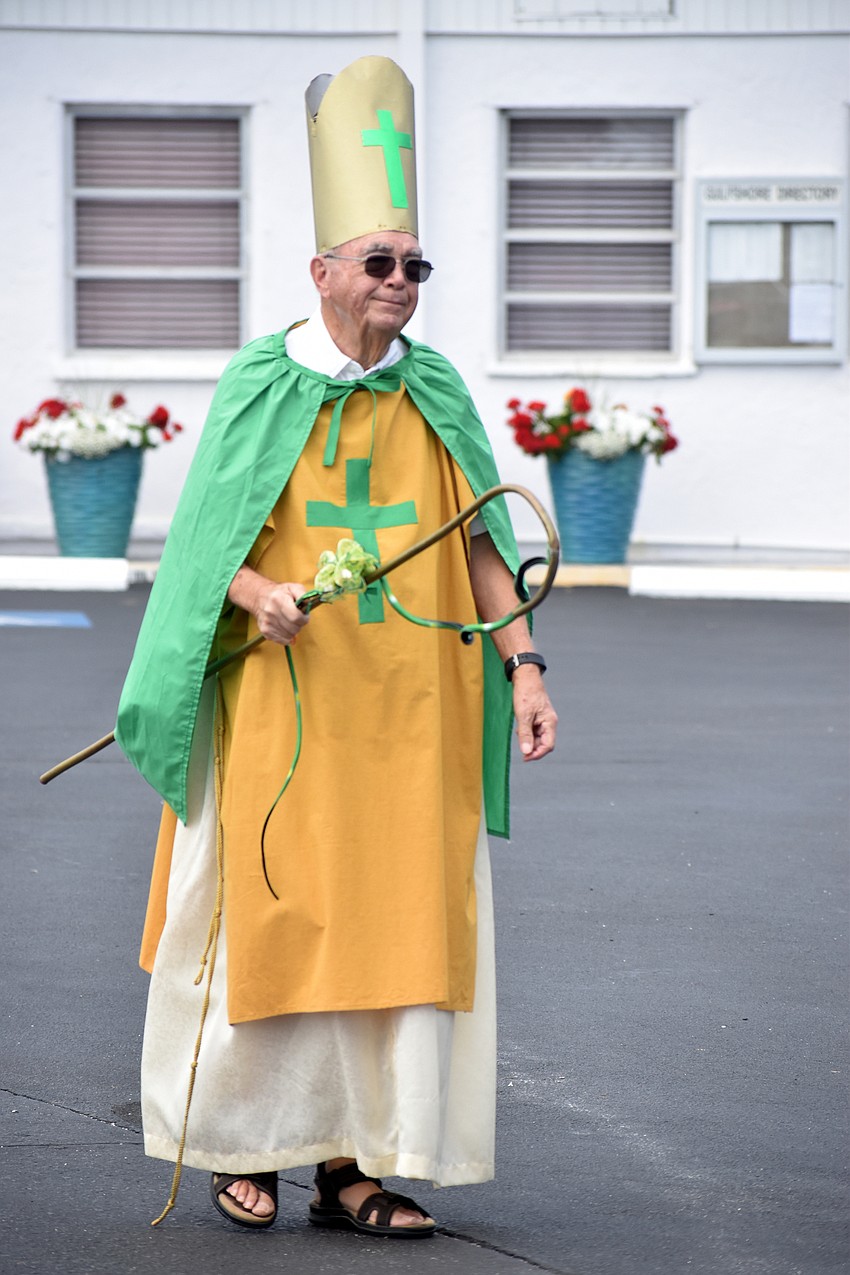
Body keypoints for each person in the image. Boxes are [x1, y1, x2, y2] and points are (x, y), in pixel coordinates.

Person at [116, 55, 557, 1237]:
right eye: (379, 263)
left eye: (416, 265)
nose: (401, 283)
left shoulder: (438, 393)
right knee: (277, 917)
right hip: (286, 707)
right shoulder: (262, 385)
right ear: (320, 273)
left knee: (398, 932)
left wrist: (521, 666)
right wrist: (257, 595)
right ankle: (239, 1144)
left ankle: (356, 1165)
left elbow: (478, 547)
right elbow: (202, 553)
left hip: (412, 717)